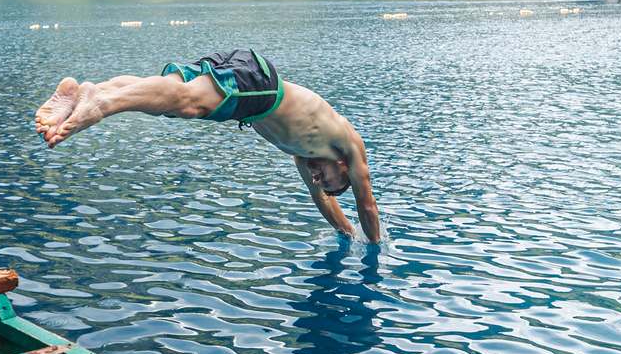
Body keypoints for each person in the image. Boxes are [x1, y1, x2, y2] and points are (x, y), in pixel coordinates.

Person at [34, 48, 384, 241]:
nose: (319, 181)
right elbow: (366, 205)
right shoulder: (347, 142)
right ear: (343, 169)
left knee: (172, 103)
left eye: (322, 183)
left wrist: (346, 232)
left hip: (251, 84)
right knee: (188, 102)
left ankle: (89, 92)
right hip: (261, 86)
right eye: (331, 181)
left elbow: (319, 199)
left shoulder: (303, 155)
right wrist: (374, 246)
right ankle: (102, 104)